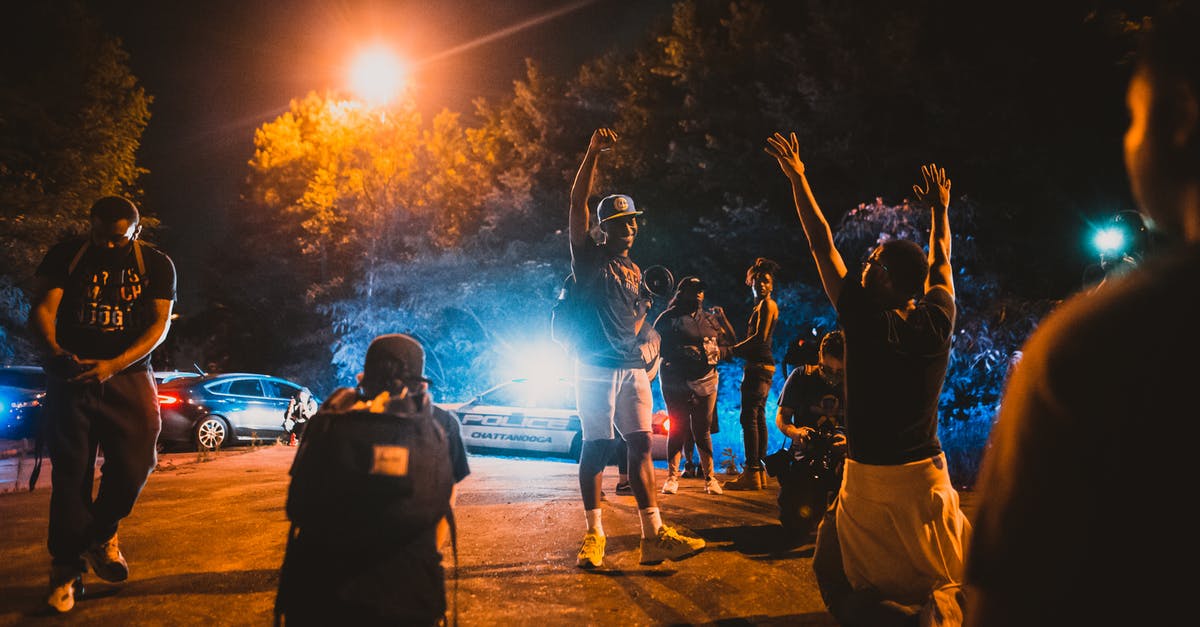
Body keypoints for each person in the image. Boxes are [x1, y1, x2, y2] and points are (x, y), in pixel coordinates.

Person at [964, 5, 1200, 626]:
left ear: (1178, 117)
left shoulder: (1098, 347)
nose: (1129, 139)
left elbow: (1004, 598)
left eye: (1133, 116)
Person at [765, 133, 971, 625]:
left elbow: (821, 242)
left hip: (872, 475)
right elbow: (941, 260)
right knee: (936, 574)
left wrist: (798, 177)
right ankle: (933, 613)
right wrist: (941, 211)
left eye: (874, 262)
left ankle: (920, 619)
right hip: (925, 474)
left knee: (836, 575)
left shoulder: (862, 318)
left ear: (885, 281)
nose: (865, 264)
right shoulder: (939, 319)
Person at [29, 196, 177, 614]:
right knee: (71, 475)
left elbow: (158, 326)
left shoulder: (156, 265)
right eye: (99, 235)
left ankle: (102, 532)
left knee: (135, 465)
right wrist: (55, 352)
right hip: (71, 374)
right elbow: (42, 307)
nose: (108, 246)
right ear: (89, 226)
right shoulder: (67, 255)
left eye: (118, 239)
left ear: (135, 232)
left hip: (127, 375)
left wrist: (113, 364)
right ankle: (65, 570)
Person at [568, 127, 705, 569]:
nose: (632, 225)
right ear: (605, 228)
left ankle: (653, 536)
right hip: (593, 367)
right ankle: (594, 536)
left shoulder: (634, 270)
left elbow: (633, 324)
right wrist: (592, 153)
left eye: (634, 220)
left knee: (642, 445)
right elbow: (576, 206)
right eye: (623, 221)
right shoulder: (590, 258)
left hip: (631, 369)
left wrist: (648, 322)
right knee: (596, 447)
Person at [276, 333, 470, 626]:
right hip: (408, 594)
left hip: (319, 593)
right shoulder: (440, 425)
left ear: (364, 375)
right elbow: (443, 505)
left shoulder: (329, 419)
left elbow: (300, 503)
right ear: (419, 380)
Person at [653, 276, 733, 496]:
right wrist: (682, 352)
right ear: (682, 292)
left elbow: (728, 347)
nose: (698, 294)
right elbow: (654, 346)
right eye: (693, 290)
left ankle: (710, 478)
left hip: (706, 379)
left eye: (701, 290)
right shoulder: (668, 318)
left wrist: (715, 354)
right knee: (677, 427)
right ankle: (672, 477)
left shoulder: (709, 319)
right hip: (675, 379)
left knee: (702, 429)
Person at [771, 329, 847, 535]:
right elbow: (782, 417)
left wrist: (847, 441)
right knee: (797, 525)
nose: (833, 378)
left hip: (844, 458)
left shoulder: (855, 382)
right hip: (806, 454)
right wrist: (795, 433)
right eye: (827, 369)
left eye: (840, 372)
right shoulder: (801, 376)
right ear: (820, 357)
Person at [724, 257, 781, 491]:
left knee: (749, 419)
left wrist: (731, 351)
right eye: (757, 280)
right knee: (756, 418)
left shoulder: (767, 305)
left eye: (766, 281)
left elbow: (759, 338)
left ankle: (752, 471)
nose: (761, 284)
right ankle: (758, 473)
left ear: (772, 285)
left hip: (758, 367)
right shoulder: (760, 306)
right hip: (761, 367)